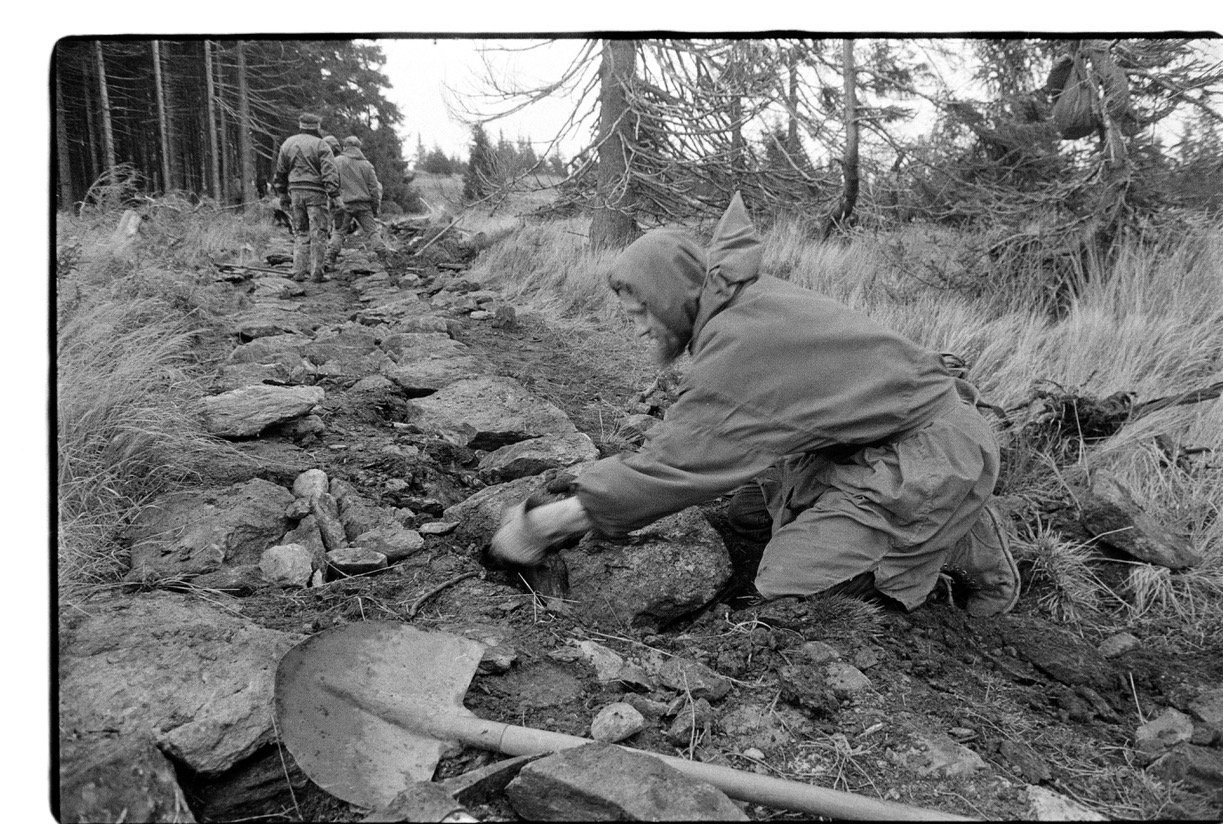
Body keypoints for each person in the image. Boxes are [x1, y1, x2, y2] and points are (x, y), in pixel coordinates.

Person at [488, 193, 1020, 617]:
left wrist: (543, 526)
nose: (641, 329)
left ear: (672, 295)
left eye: (641, 313)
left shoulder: (738, 342)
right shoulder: (737, 302)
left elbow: (680, 464)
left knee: (784, 587)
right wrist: (597, 484)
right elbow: (702, 436)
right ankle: (939, 519)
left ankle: (955, 536)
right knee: (748, 514)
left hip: (930, 454)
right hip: (876, 437)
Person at [273, 113, 340, 283]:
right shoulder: (321, 145)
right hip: (316, 193)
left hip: (295, 192)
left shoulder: (288, 143)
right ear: (317, 127)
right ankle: (317, 272)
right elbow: (329, 172)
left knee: (300, 232)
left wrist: (282, 194)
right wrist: (334, 195)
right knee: (318, 232)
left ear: (301, 125)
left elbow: (280, 172)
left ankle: (298, 271)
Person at [325, 135, 392, 267]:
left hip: (343, 204)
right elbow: (374, 188)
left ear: (345, 147)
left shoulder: (337, 161)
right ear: (359, 147)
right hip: (364, 205)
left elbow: (331, 183)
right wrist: (375, 207)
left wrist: (332, 203)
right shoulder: (367, 165)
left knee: (338, 232)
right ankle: (383, 259)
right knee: (372, 232)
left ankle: (330, 260)